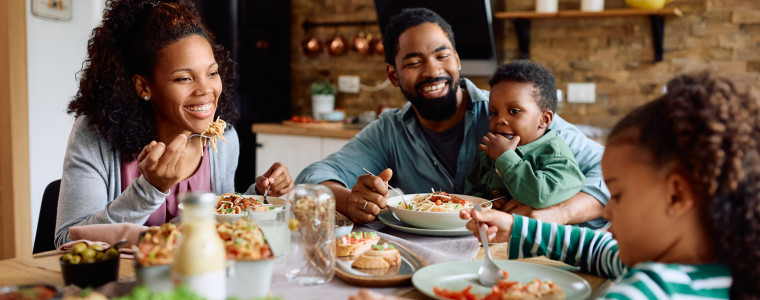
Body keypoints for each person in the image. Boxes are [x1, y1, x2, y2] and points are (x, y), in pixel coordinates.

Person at [455, 72, 760, 299]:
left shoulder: (649, 290)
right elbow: (595, 248)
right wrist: (515, 226)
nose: (607, 208)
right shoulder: (725, 268)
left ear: (677, 195)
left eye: (618, 193)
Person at [295, 8, 608, 228]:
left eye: (442, 56)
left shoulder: (507, 114)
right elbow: (313, 176)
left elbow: (608, 171)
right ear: (393, 74)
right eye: (415, 61)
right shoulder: (389, 131)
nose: (433, 71)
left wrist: (559, 213)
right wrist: (348, 199)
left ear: (457, 61)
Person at [55, 0, 293, 248]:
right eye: (184, 78)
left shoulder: (223, 140)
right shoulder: (95, 136)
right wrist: (149, 189)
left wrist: (260, 195)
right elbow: (66, 241)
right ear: (143, 86)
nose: (206, 90)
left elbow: (222, 224)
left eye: (212, 73)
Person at [464, 61, 584, 209]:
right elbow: (471, 194)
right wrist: (486, 204)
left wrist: (506, 157)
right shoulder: (491, 153)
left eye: (514, 111)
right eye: (493, 113)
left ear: (544, 119)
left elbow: (540, 196)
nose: (499, 120)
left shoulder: (556, 155)